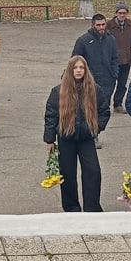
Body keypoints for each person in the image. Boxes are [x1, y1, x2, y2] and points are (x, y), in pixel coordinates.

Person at [44, 55, 107, 212]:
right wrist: (50, 139)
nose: (78, 71)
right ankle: (71, 207)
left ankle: (92, 207)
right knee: (67, 174)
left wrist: (96, 127)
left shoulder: (94, 89)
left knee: (93, 171)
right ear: (70, 70)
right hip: (66, 138)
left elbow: (104, 111)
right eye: (75, 68)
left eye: (81, 68)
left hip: (86, 139)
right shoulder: (58, 91)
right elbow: (51, 116)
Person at [72, 15, 119, 121]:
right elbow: (75, 60)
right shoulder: (83, 40)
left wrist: (114, 75)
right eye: (98, 25)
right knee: (88, 110)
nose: (101, 27)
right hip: (90, 81)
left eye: (103, 24)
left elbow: (115, 58)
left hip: (108, 81)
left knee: (103, 111)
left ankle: (97, 131)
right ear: (92, 25)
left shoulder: (111, 39)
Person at [106, 3, 131, 112]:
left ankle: (118, 104)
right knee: (109, 83)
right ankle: (105, 105)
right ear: (116, 13)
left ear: (127, 13)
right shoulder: (109, 25)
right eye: (120, 13)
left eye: (124, 13)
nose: (122, 15)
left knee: (122, 84)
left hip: (126, 60)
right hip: (112, 60)